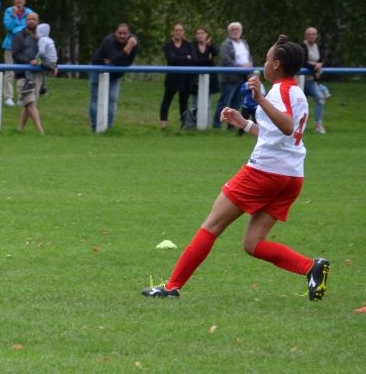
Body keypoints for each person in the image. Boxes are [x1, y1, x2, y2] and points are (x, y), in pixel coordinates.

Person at [141, 36, 329, 301]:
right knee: (253, 244)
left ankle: (172, 286)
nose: (263, 63)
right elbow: (278, 135)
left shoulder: (279, 92)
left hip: (265, 173)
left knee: (211, 225)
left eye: (266, 59)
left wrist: (260, 99)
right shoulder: (296, 91)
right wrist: (244, 123)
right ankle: (311, 267)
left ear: (276, 64)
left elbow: (286, 126)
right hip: (291, 176)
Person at [88, 23, 139, 130]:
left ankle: (108, 128)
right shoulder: (109, 41)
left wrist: (116, 61)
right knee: (95, 100)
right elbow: (117, 60)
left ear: (129, 34)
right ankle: (95, 128)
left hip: (115, 74)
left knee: (112, 99)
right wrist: (128, 47)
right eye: (119, 33)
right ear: (115, 33)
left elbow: (127, 62)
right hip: (98, 70)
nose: (122, 36)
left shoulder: (134, 41)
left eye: (125, 33)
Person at [12, 16, 56, 134]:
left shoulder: (42, 38)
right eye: (29, 19)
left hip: (37, 74)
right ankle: (41, 132)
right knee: (30, 102)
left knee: (29, 103)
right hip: (23, 74)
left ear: (38, 21)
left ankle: (19, 130)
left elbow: (47, 54)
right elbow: (15, 54)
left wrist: (50, 65)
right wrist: (29, 62)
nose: (31, 21)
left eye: (34, 19)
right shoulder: (19, 36)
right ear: (26, 21)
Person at [214, 22, 253, 129]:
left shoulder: (244, 43)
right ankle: (217, 125)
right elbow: (226, 60)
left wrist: (249, 69)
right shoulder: (226, 45)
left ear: (241, 31)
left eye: (237, 30)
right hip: (229, 78)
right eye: (233, 30)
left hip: (242, 78)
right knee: (224, 102)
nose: (235, 31)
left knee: (236, 104)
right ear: (229, 32)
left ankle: (231, 126)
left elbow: (249, 58)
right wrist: (241, 66)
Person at [159, 23, 196, 130]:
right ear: (173, 32)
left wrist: (180, 58)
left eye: (180, 30)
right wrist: (186, 57)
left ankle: (184, 124)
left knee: (184, 101)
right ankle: (163, 126)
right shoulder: (168, 45)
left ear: (183, 32)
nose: (178, 32)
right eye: (176, 30)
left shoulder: (188, 44)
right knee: (167, 100)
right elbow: (171, 59)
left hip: (186, 78)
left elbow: (193, 58)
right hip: (172, 77)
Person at [1, 0, 34, 107]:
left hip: (25, 46)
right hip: (10, 45)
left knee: (23, 72)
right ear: (14, 0)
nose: (20, 0)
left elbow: (30, 27)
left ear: (24, 1)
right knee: (9, 72)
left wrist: (17, 29)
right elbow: (8, 27)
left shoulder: (30, 12)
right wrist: (14, 17)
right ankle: (8, 97)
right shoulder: (9, 11)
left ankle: (22, 96)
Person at [300, 26, 328, 134]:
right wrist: (314, 66)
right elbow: (303, 62)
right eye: (309, 34)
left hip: (312, 80)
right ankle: (296, 125)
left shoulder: (318, 47)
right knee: (299, 103)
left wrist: (320, 64)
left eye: (313, 34)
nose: (311, 36)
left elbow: (322, 59)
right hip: (301, 79)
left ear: (316, 36)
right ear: (305, 36)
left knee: (320, 98)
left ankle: (318, 124)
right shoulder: (302, 46)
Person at [190, 26, 219, 121]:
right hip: (194, 78)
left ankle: (207, 125)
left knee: (207, 103)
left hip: (209, 78)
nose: (200, 35)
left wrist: (209, 45)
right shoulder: (192, 45)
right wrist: (208, 59)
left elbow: (216, 52)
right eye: (198, 33)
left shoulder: (210, 45)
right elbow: (195, 60)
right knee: (195, 103)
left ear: (206, 35)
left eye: (202, 33)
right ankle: (193, 124)